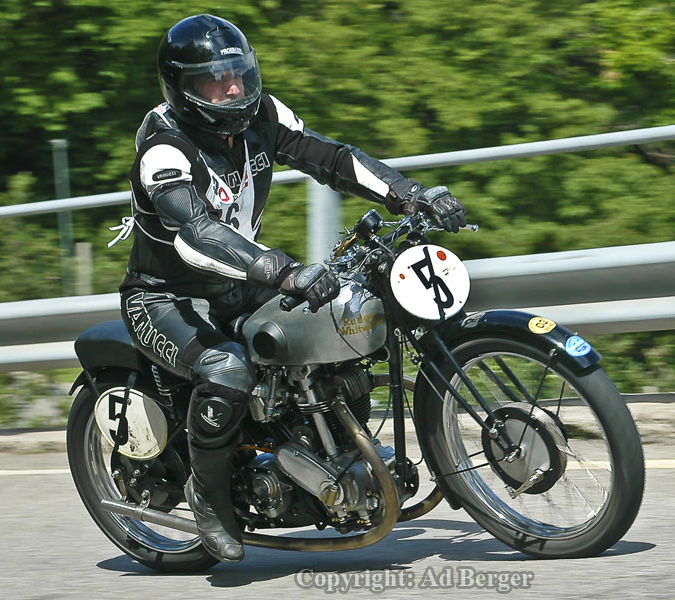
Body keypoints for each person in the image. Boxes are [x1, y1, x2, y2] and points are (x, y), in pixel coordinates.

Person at [117, 13, 466, 563]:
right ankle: (207, 500)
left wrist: (407, 192)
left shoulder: (263, 115)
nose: (232, 87)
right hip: (166, 296)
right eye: (215, 79)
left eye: (238, 73)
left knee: (336, 323)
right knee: (227, 370)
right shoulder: (165, 148)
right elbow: (196, 235)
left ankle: (329, 452)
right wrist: (282, 270)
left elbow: (331, 157)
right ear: (183, 87)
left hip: (239, 285)